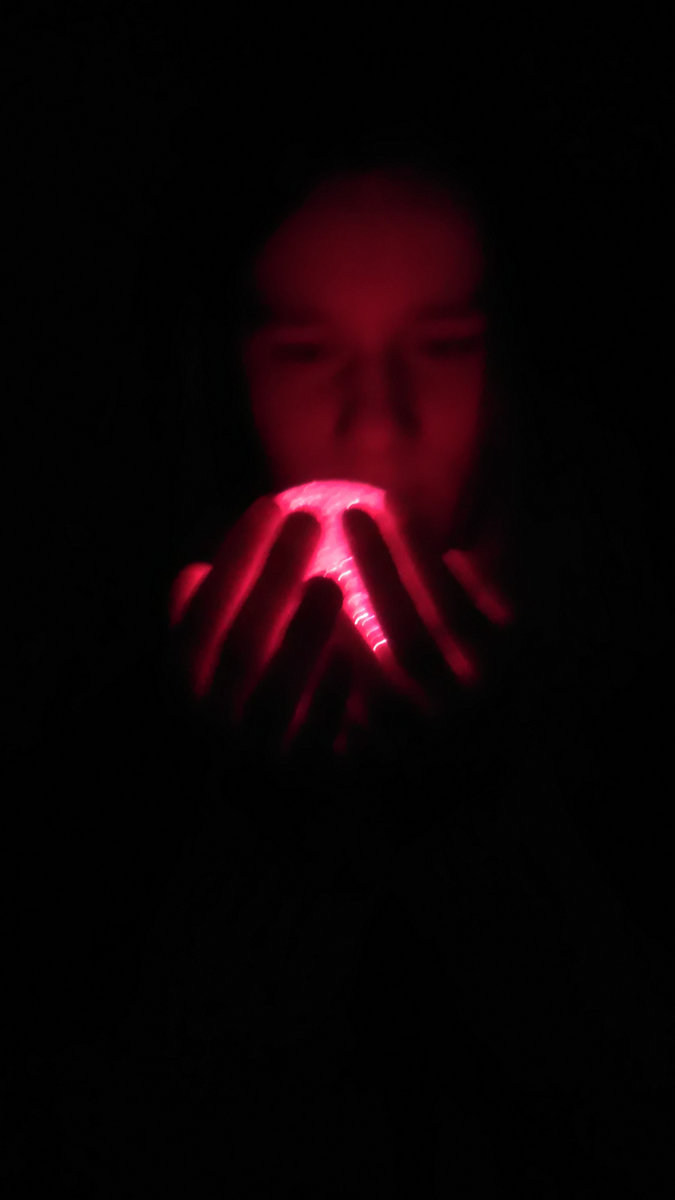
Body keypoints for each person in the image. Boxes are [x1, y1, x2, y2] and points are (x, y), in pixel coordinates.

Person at [26, 144, 674, 1196]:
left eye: (446, 346)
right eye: (305, 353)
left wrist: (480, 821)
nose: (375, 422)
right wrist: (260, 835)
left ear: (517, 370)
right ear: (223, 378)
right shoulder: (95, 720)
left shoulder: (630, 685)